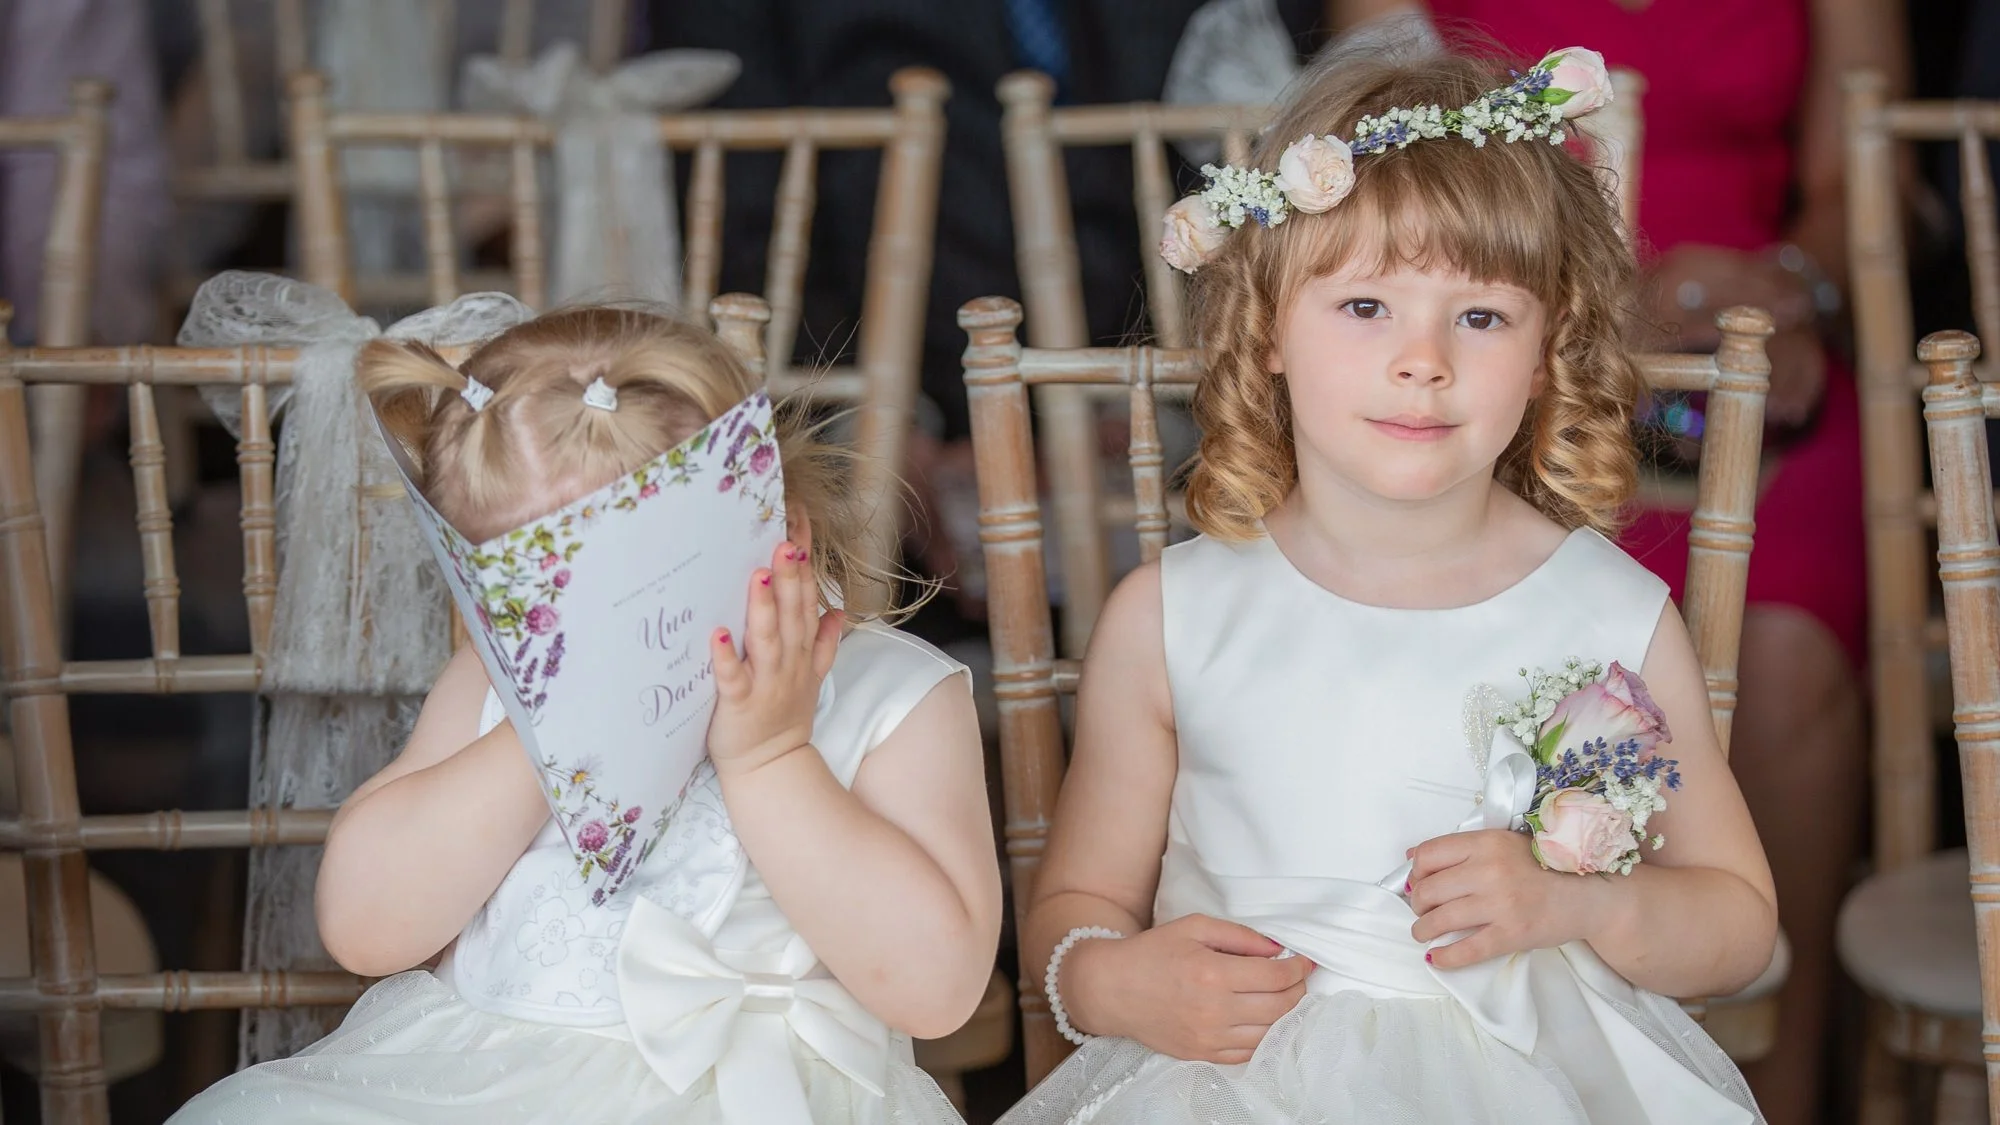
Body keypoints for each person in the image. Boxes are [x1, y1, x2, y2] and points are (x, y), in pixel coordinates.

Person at [1000, 43, 1775, 1124]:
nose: (1423, 360)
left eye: (1480, 316)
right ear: (1266, 327)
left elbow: (1735, 923)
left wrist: (1572, 905)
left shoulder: (1604, 616)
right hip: (1229, 1088)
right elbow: (1075, 903)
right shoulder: (1175, 616)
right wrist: (1110, 979)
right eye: (1365, 307)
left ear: (1549, 347)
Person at [167, 306, 1001, 1124]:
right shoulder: (493, 687)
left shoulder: (891, 697)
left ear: (773, 525)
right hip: (474, 1086)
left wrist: (774, 758)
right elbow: (363, 929)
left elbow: (938, 991)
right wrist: (545, 730)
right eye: (544, 609)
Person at [1370, 3, 1901, 1118]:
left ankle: (1777, 1076)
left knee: (1788, 630)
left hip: (1749, 359)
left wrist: (1787, 285)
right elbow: (1376, 154)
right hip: (1500, 349)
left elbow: (1866, 163)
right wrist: (1571, 312)